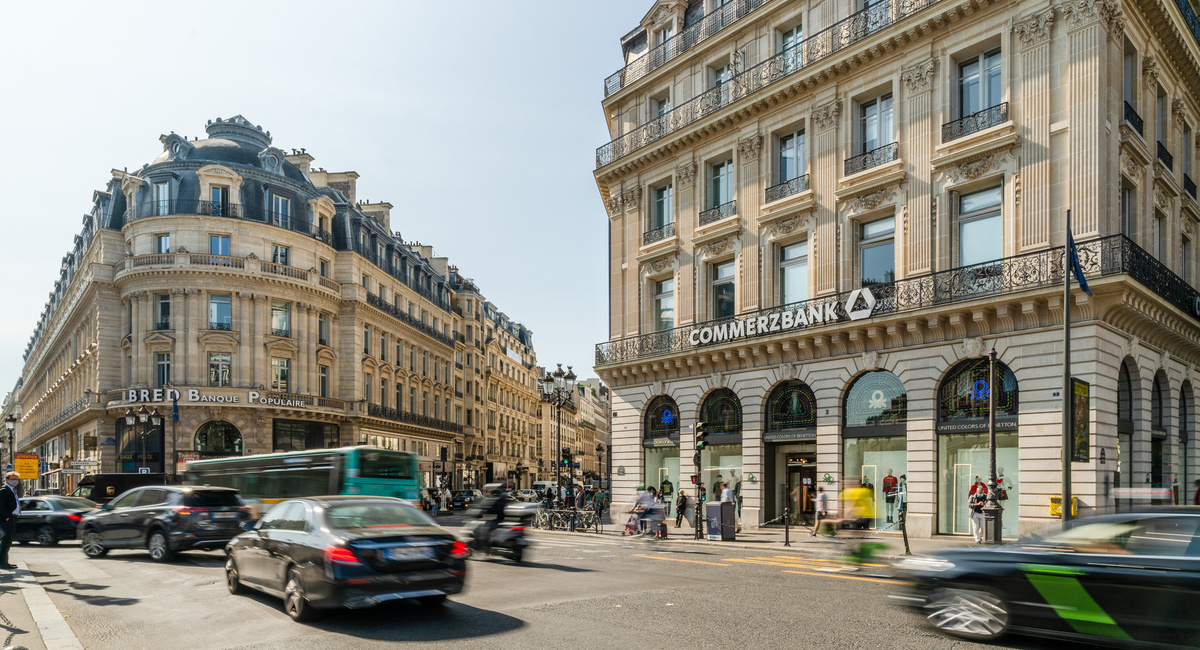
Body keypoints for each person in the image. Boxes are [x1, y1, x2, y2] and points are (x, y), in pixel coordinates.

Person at [474, 483, 511, 548]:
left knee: (486, 528)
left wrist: (483, 513)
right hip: (502, 518)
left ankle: (488, 545)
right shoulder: (503, 498)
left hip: (497, 519)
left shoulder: (495, 499)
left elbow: (490, 508)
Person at [0, 472, 20, 570]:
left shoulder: (11, 490)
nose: (15, 481)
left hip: (11, 518)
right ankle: (2, 562)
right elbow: (1, 505)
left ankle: (5, 562)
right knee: (6, 540)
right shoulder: (4, 490)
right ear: (7, 480)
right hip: (6, 519)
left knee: (8, 541)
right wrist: (6, 517)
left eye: (16, 479)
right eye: (12, 479)